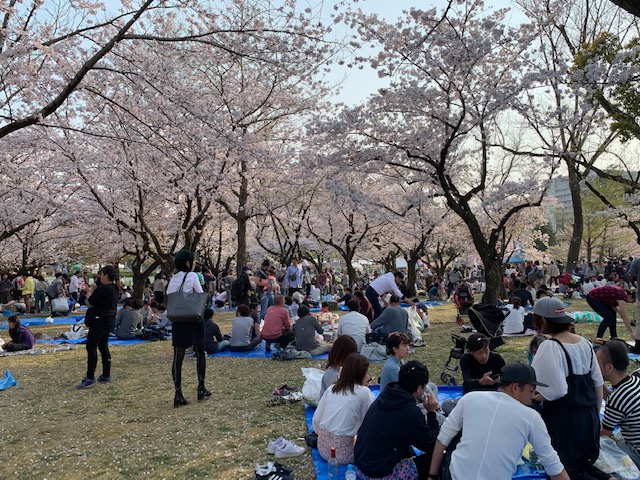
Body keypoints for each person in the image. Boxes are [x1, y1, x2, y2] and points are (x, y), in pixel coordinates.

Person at [428, 362, 569, 480]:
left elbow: (442, 439)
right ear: (515, 387)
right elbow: (553, 466)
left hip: (454, 475)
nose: (532, 397)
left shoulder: (471, 398)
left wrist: (432, 476)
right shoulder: (531, 417)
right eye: (531, 391)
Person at [531, 296, 610, 480]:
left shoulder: (550, 346)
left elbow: (557, 391)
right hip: (589, 416)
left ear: (542, 320)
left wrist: (537, 397)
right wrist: (595, 415)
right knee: (585, 465)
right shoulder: (584, 343)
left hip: (566, 423)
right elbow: (598, 384)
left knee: (566, 471)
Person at [354, 360, 440, 479]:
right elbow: (432, 444)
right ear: (419, 388)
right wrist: (431, 413)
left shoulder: (385, 395)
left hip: (360, 466)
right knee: (436, 458)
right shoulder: (410, 413)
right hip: (377, 474)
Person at [167, 249, 210, 407]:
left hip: (178, 320)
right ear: (188, 263)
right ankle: (201, 387)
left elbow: (170, 295)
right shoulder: (191, 276)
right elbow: (199, 294)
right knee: (200, 352)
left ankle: (178, 393)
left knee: (178, 356)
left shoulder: (173, 278)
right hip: (193, 319)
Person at [312, 353, 373, 465]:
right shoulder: (364, 392)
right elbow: (369, 426)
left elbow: (316, 421)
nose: (369, 376)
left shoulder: (332, 388)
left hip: (323, 448)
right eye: (367, 372)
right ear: (361, 373)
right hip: (345, 454)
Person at [596, 340, 640, 468]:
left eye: (597, 364)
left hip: (636, 452)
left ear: (609, 367)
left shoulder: (617, 398)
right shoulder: (634, 380)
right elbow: (618, 403)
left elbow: (604, 432)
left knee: (599, 448)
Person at [76, 265, 119, 389]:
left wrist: (90, 293)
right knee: (103, 346)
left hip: (98, 320)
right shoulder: (115, 288)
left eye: (101, 274)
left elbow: (90, 302)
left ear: (105, 275)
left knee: (91, 346)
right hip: (108, 320)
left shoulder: (104, 289)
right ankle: (106, 373)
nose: (100, 277)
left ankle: (90, 377)